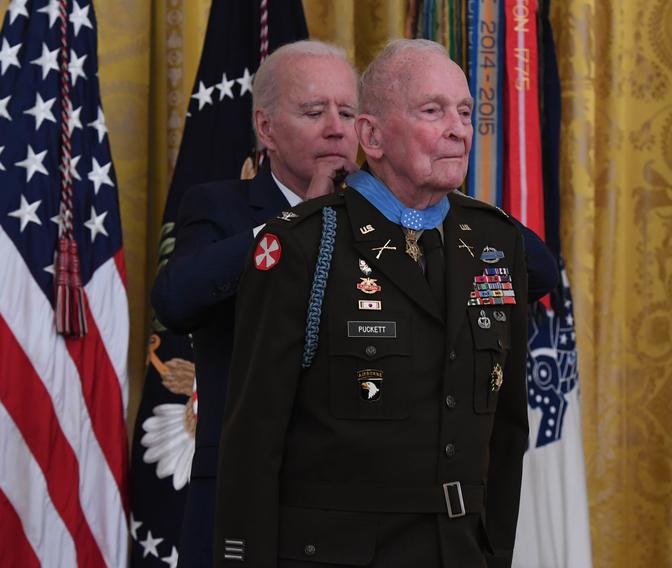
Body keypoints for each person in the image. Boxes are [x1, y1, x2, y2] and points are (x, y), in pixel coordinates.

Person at [213, 39, 529, 567]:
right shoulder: (304, 245)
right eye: (433, 111)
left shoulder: (494, 242)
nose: (458, 128)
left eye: (466, 111)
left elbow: (508, 429)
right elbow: (253, 441)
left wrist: (493, 554)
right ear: (372, 136)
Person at [150, 40, 360, 568]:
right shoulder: (220, 207)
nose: (337, 127)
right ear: (266, 129)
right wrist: (295, 226)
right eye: (315, 112)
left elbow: (533, 268)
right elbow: (175, 300)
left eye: (350, 112)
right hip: (246, 509)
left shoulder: (389, 218)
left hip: (361, 512)